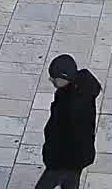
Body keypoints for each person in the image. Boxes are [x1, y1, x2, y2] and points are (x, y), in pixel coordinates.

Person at [36, 54, 101, 189]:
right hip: (78, 158)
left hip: (63, 159)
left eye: (54, 78)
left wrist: (51, 157)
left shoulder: (71, 105)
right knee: (71, 182)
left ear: (65, 78)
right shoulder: (80, 89)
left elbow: (64, 133)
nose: (52, 80)